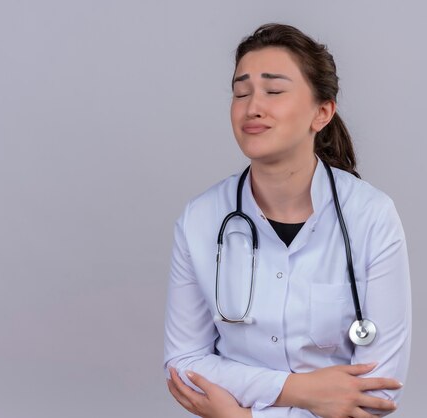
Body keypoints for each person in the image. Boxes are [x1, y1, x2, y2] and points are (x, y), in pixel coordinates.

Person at [164, 23, 411, 418]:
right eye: (240, 92)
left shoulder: (370, 217)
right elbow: (184, 363)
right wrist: (303, 390)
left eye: (274, 91)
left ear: (322, 112)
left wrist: (241, 416)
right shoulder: (200, 220)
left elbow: (375, 393)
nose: (252, 106)